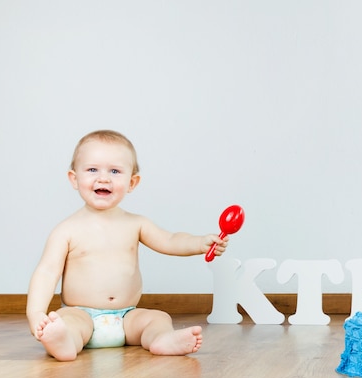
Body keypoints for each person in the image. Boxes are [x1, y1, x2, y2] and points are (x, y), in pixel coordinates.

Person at [26, 130, 228, 361]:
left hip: (126, 318)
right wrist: (36, 314)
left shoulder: (136, 223)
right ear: (74, 178)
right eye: (92, 169)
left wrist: (199, 242)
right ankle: (64, 342)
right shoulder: (67, 230)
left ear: (132, 182)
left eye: (115, 171)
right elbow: (47, 272)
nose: (103, 178)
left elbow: (170, 240)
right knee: (68, 322)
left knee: (158, 318)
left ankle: (161, 339)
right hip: (81, 313)